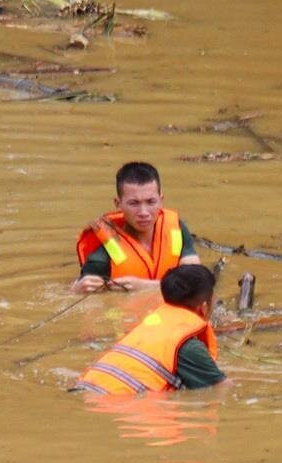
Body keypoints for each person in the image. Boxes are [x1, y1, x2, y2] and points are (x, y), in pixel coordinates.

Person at [75, 265, 226, 394]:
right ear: (204, 307)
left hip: (84, 388)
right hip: (113, 402)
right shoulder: (189, 346)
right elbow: (222, 389)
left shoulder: (146, 327)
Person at [72, 162, 202, 294]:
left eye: (151, 202)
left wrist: (145, 287)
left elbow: (197, 282)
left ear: (161, 200)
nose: (144, 212)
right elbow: (81, 292)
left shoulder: (177, 228)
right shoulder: (104, 251)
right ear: (118, 204)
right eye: (134, 203)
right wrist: (76, 289)